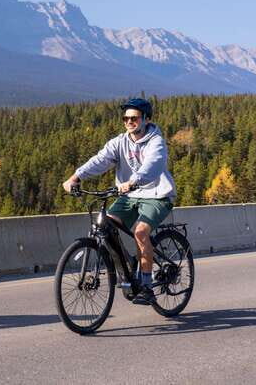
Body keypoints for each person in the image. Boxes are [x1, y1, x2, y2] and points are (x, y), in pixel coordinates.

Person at [62, 97, 176, 305]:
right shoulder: (120, 142)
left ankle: (147, 287)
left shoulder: (156, 141)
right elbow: (100, 160)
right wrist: (76, 177)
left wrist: (133, 181)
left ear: (146, 119)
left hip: (157, 195)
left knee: (141, 232)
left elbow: (153, 165)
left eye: (134, 118)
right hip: (129, 196)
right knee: (106, 225)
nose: (129, 122)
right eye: (126, 118)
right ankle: (129, 265)